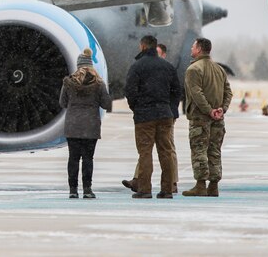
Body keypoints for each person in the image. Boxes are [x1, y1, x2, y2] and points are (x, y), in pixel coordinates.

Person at [123, 34, 181, 199]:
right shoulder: (168, 67)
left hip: (144, 116)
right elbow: (177, 91)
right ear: (155, 47)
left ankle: (145, 189)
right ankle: (167, 189)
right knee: (166, 152)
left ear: (142, 46)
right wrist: (169, 108)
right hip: (165, 115)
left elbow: (130, 91)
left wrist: (137, 108)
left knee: (145, 152)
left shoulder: (137, 67)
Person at [59, 48, 113, 199]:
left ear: (78, 66)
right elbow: (107, 104)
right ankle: (87, 189)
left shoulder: (68, 82)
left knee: (73, 158)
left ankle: (73, 189)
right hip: (91, 126)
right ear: (91, 66)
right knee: (88, 158)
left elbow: (62, 103)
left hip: (73, 126)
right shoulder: (98, 84)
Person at [183, 37, 232, 197]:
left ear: (199, 49)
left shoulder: (193, 70)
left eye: (193, 46)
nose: (191, 49)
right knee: (214, 151)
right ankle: (214, 185)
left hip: (200, 118)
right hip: (218, 120)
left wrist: (209, 110)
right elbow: (228, 92)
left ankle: (200, 184)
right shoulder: (219, 69)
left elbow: (196, 93)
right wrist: (221, 109)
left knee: (199, 150)